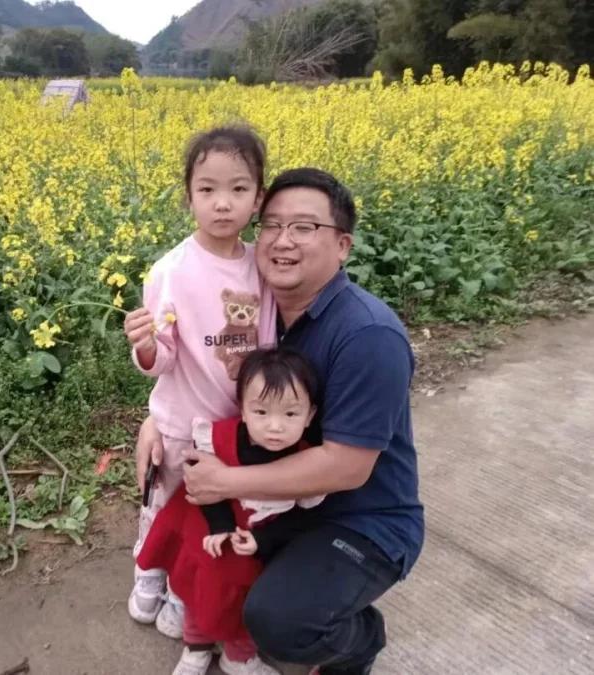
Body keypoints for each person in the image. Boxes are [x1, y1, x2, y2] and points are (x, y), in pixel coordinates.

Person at [134, 168, 425, 675]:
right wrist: (156, 421)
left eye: (304, 227)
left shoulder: (367, 335)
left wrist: (225, 482)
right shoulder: (267, 319)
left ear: (343, 246)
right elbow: (212, 385)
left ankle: (360, 641)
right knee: (200, 548)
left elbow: (347, 468)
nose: (282, 240)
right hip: (284, 504)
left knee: (281, 623)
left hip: (361, 519)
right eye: (271, 225)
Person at [122, 125, 278, 641]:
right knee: (162, 502)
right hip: (179, 423)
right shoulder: (172, 270)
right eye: (207, 189)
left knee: (206, 516)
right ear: (188, 196)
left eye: (238, 188)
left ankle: (181, 589)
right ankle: (148, 572)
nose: (222, 203)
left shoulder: (260, 267)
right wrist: (145, 346)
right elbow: (162, 358)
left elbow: (268, 343)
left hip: (233, 429)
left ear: (258, 197)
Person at [136, 347, 326, 675]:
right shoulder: (216, 438)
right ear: (242, 409)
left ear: (310, 415)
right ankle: (195, 649)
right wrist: (220, 524)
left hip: (256, 555)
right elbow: (198, 482)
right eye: (261, 412)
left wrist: (264, 539)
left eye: (290, 414)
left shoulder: (307, 462)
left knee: (245, 609)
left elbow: (304, 515)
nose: (275, 427)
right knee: (198, 596)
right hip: (210, 544)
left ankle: (238, 658)